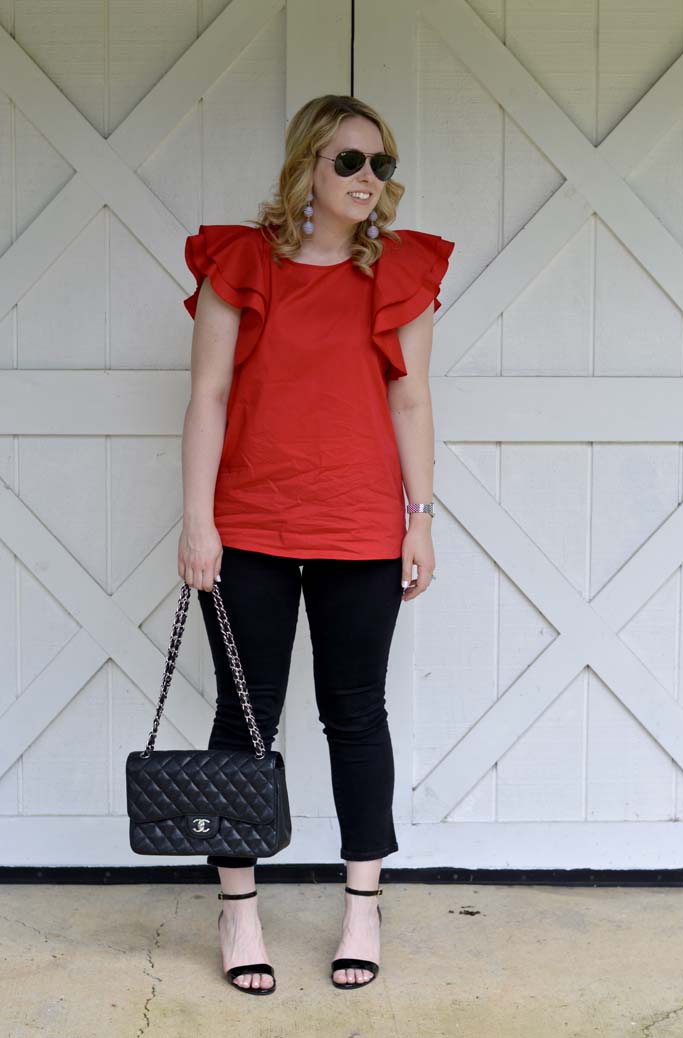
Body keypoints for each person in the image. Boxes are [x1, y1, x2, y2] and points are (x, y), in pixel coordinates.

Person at [178, 93, 454, 994]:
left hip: (360, 527)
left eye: (380, 162)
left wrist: (421, 516)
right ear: (307, 166)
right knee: (242, 721)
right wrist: (197, 517)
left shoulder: (400, 272)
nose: (369, 179)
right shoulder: (242, 262)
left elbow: (410, 400)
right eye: (349, 162)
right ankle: (239, 914)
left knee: (355, 714)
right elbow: (210, 396)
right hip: (251, 524)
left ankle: (363, 904)